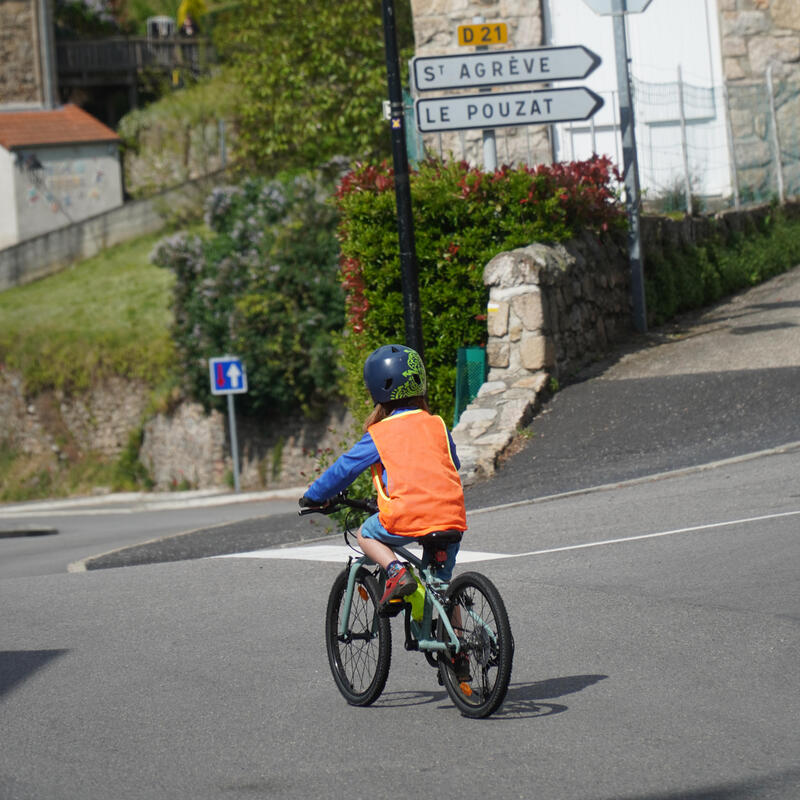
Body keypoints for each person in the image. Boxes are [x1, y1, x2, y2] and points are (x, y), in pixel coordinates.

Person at [300, 344, 467, 608]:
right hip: (451, 517)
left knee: (365, 533)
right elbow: (452, 464)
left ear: (376, 389)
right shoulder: (436, 424)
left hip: (407, 516)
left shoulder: (380, 433)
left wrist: (313, 496)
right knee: (441, 591)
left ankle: (395, 572)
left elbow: (345, 469)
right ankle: (459, 647)